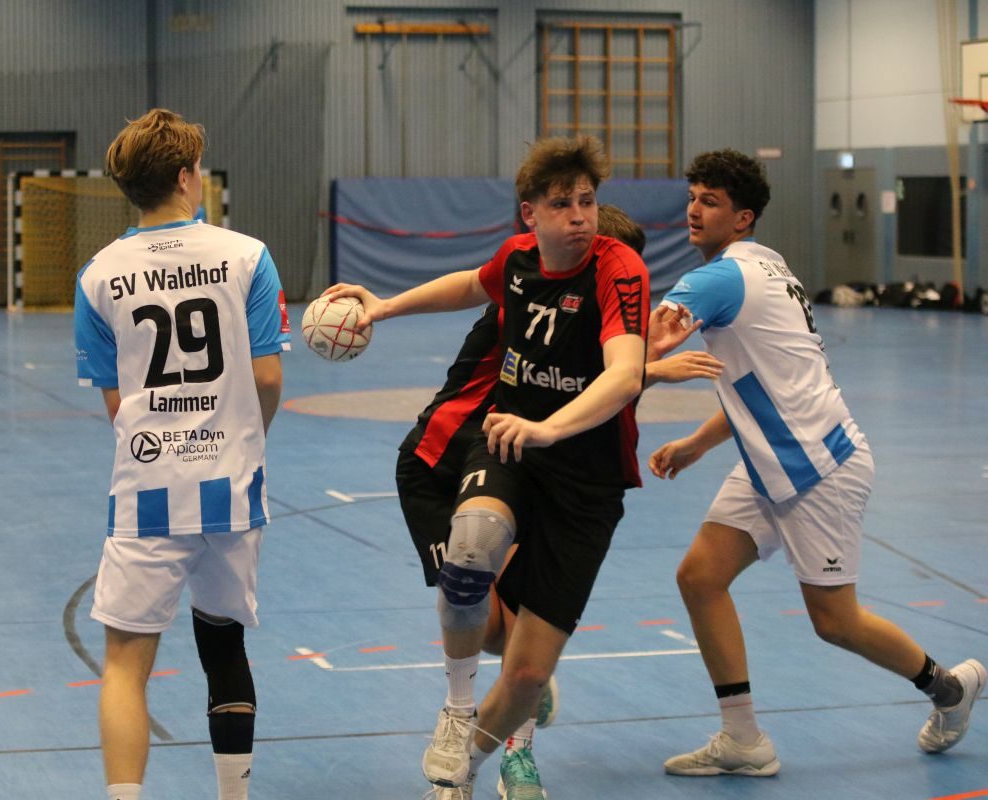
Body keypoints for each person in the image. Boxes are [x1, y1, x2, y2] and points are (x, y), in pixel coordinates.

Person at [328, 136, 666, 800]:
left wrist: (551, 428)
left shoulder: (617, 267)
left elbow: (625, 374)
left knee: (527, 676)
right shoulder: (516, 260)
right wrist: (385, 307)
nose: (579, 215)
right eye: (562, 204)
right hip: (509, 445)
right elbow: (469, 283)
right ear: (529, 213)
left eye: (587, 201)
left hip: (585, 480)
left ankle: (472, 763)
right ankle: (456, 711)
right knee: (472, 546)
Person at [647, 148, 985, 777]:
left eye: (710, 202)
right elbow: (764, 383)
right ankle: (743, 739)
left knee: (834, 621)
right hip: (772, 461)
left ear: (743, 218)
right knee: (699, 577)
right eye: (692, 197)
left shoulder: (718, 279)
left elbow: (645, 346)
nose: (694, 210)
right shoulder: (771, 267)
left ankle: (948, 687)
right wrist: (697, 443)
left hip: (818, 469)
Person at [394, 204, 721, 798]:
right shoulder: (530, 298)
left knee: (523, 633)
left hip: (526, 463)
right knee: (488, 624)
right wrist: (648, 367)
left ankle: (513, 749)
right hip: (439, 464)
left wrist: (642, 362)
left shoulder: (604, 323)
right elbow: (579, 366)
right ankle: (506, 696)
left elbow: (602, 386)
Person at [73, 108, 290, 800]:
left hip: (148, 492)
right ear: (186, 175)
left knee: (124, 666)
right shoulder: (248, 257)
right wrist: (243, 439)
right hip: (232, 487)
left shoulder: (98, 276)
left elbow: (117, 404)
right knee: (223, 643)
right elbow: (266, 378)